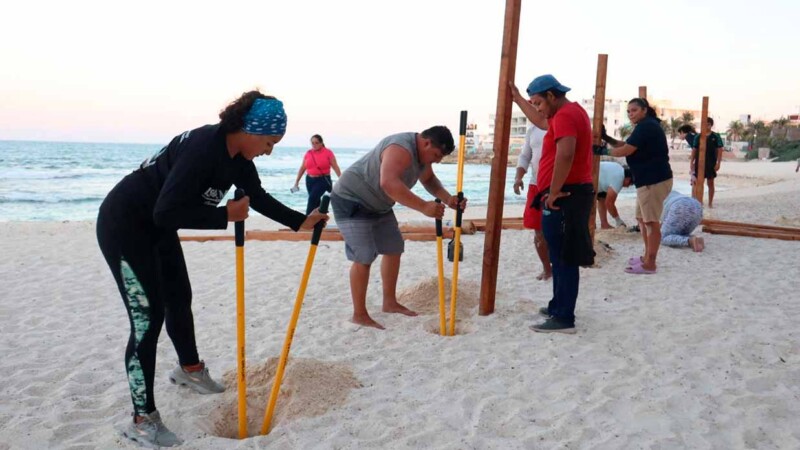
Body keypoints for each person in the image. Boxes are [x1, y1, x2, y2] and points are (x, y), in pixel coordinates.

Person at [96, 90, 327, 448]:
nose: (269, 150)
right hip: (125, 225)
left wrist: (300, 222)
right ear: (249, 130)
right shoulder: (203, 148)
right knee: (147, 318)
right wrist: (224, 216)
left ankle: (189, 370)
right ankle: (142, 420)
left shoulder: (236, 156)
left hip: (156, 228)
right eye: (269, 142)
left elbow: (258, 196)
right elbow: (166, 211)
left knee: (179, 297)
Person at [330, 126, 467, 330]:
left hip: (380, 205)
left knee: (394, 248)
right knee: (364, 256)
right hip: (352, 200)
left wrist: (449, 200)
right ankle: (359, 314)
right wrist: (424, 207)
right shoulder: (400, 148)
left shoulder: (423, 157)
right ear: (426, 142)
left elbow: (428, 180)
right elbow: (388, 183)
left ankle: (389, 302)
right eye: (437, 155)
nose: (437, 161)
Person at [511, 74, 595, 334]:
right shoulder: (564, 113)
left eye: (538, 102)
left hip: (567, 194)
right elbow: (538, 119)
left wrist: (554, 191)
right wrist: (517, 99)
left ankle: (564, 317)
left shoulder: (567, 115)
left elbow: (566, 153)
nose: (537, 109)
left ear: (551, 95)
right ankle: (558, 305)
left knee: (563, 256)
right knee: (559, 254)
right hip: (566, 191)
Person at [597, 98, 674, 275]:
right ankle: (646, 257)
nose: (631, 114)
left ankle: (650, 264)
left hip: (653, 180)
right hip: (646, 181)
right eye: (629, 111)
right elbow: (626, 145)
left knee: (651, 222)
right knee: (642, 219)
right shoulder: (644, 126)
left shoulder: (646, 126)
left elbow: (625, 151)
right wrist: (606, 138)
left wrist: (602, 151)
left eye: (634, 110)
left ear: (644, 110)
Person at [511, 119, 551, 280]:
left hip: (557, 185)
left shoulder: (559, 123)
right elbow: (525, 156)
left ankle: (559, 266)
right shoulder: (532, 130)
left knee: (557, 231)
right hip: (536, 186)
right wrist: (518, 178)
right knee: (538, 231)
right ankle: (547, 269)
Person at [292, 134, 342, 214]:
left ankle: (306, 220)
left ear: (321, 143)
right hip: (309, 180)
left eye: (317, 143)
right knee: (316, 202)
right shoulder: (308, 153)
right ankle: (319, 223)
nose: (314, 145)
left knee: (312, 199)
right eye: (312, 143)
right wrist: (296, 182)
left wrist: (341, 179)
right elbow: (302, 168)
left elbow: (335, 167)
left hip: (323, 180)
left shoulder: (328, 152)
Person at [691, 117, 724, 208]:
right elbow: (694, 150)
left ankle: (710, 203)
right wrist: (691, 163)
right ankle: (698, 202)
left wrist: (718, 163)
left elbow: (720, 150)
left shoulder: (716, 136)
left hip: (711, 163)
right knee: (698, 183)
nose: (706, 126)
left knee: (710, 183)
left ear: (711, 125)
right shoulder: (698, 136)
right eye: (704, 124)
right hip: (699, 164)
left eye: (708, 124)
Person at [597, 161, 633, 229]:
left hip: (599, 178)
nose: (628, 186)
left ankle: (604, 224)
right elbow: (609, 203)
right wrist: (618, 220)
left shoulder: (619, 167)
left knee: (602, 199)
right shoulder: (619, 178)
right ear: (628, 179)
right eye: (629, 184)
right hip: (592, 177)